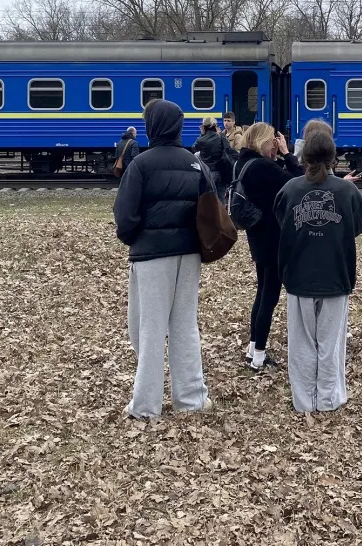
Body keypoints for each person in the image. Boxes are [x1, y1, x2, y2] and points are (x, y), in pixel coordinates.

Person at [114, 99, 212, 419]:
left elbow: (125, 217)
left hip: (151, 256)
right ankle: (192, 399)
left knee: (149, 328)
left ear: (151, 126)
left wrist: (135, 240)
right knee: (185, 325)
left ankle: (145, 405)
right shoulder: (196, 164)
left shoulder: (140, 165)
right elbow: (211, 208)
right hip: (189, 253)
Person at [274, 132, 362, 413]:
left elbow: (283, 222)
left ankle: (304, 400)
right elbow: (358, 226)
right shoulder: (347, 191)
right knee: (331, 342)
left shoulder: (290, 189)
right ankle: (328, 398)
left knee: (301, 343)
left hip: (298, 273)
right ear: (332, 157)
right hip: (335, 273)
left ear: (304, 157)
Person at [234, 122, 303, 371]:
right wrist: (287, 154)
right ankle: (260, 356)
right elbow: (299, 183)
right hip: (273, 236)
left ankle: (253, 347)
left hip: (256, 233)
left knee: (262, 292)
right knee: (269, 297)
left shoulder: (243, 162)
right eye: (272, 141)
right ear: (264, 141)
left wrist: (277, 157)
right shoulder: (263, 166)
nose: (275, 144)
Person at [192, 116, 233, 191]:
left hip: (207, 172)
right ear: (215, 126)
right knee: (221, 196)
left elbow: (194, 149)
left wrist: (202, 134)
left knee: (208, 196)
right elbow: (228, 148)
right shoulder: (220, 137)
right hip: (221, 171)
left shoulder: (201, 140)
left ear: (204, 127)